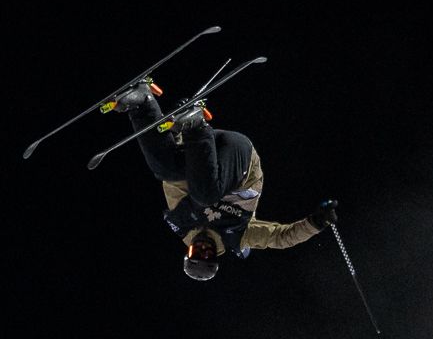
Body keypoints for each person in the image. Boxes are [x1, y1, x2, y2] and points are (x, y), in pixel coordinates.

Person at [113, 80, 335, 282]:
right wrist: (316, 223)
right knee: (206, 194)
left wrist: (180, 134)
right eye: (207, 254)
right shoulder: (238, 236)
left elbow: (175, 181)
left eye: (195, 253)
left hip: (205, 149)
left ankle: (143, 103)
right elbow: (281, 238)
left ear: (187, 253)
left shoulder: (182, 222)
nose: (201, 247)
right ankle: (197, 125)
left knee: (165, 170)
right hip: (240, 159)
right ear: (215, 257)